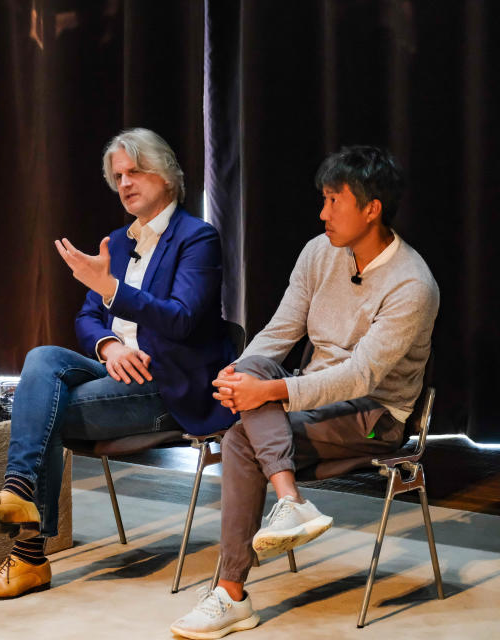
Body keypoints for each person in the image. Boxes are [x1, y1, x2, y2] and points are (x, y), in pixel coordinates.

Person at [0, 128, 236, 600]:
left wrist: (113, 291)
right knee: (42, 359)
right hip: (117, 371)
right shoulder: (120, 243)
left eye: (135, 171)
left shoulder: (197, 238)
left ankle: (26, 554)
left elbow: (183, 321)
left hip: (169, 385)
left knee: (43, 412)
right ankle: (20, 501)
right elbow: (86, 317)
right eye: (118, 175)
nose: (125, 183)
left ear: (166, 176)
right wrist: (109, 347)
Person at [169, 146, 439, 638]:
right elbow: (279, 332)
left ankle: (232, 592)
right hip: (314, 399)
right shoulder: (320, 252)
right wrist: (238, 374)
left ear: (371, 208)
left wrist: (269, 389)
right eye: (324, 199)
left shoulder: (412, 285)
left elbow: (359, 378)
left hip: (377, 417)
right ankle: (288, 503)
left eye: (334, 200)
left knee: (238, 439)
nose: (323, 213)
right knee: (253, 369)